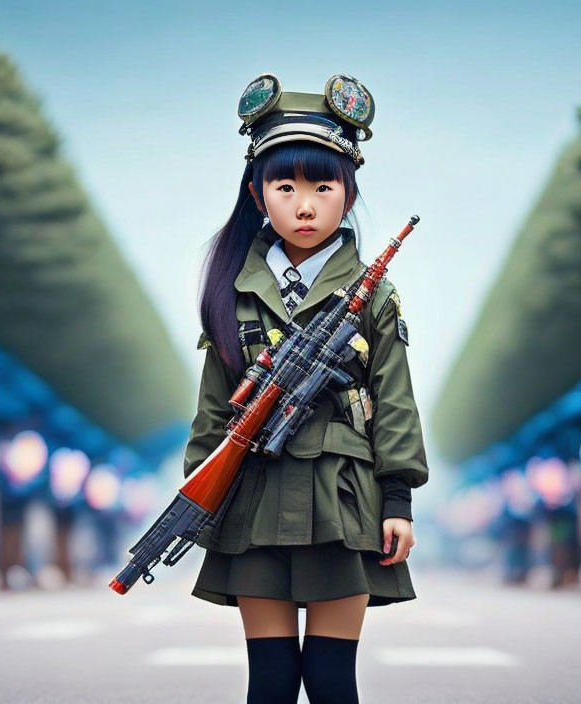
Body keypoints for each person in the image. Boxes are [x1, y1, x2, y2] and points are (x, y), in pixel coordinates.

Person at [181, 73, 430, 704]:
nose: (305, 204)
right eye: (285, 186)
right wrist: (194, 497)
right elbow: (215, 406)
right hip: (253, 500)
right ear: (257, 193)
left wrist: (397, 499)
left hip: (344, 502)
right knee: (267, 683)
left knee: (329, 679)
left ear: (349, 194)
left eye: (324, 186)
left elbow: (393, 398)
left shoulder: (374, 294)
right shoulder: (230, 292)